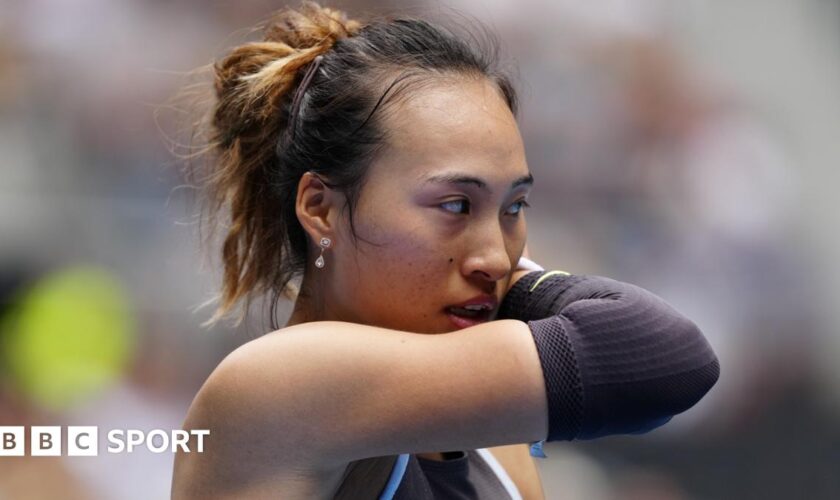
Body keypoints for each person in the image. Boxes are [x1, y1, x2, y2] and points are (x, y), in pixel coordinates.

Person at [170, 2, 719, 498]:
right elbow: (665, 359)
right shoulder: (276, 386)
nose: (495, 257)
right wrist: (522, 286)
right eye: (456, 206)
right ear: (321, 208)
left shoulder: (497, 449)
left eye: (513, 208)